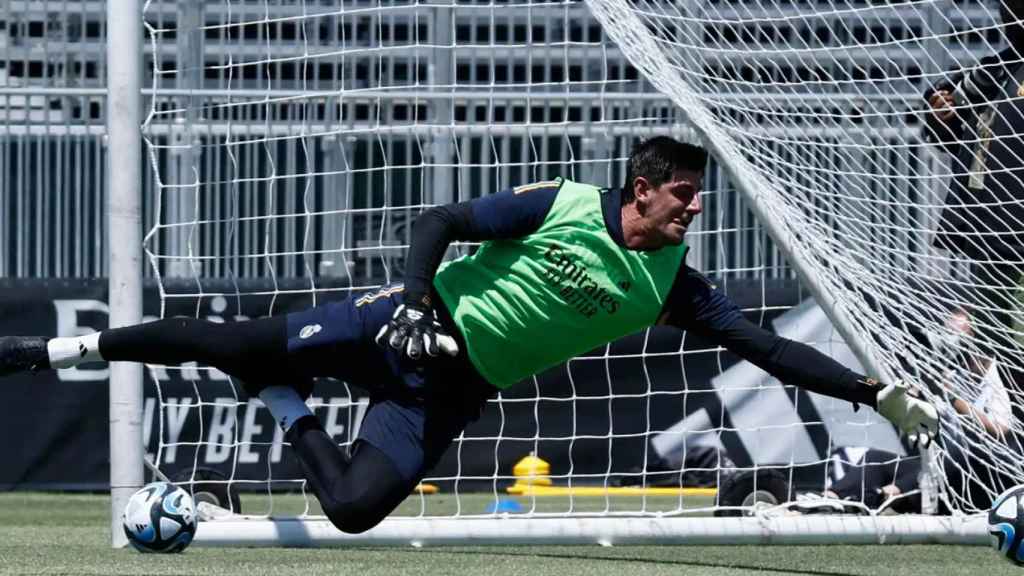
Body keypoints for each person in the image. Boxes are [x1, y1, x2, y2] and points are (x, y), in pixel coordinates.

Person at [0, 136, 938, 534]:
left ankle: (286, 407)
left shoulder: (673, 286)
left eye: (700, 198)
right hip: (403, 327)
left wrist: (872, 392)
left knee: (356, 511)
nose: (695, 209)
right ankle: (52, 352)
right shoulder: (566, 204)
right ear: (643, 188)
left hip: (454, 389)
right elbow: (440, 222)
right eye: (685, 195)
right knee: (231, 343)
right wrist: (410, 301)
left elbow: (769, 351)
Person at [796, 308, 1016, 514]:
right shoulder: (953, 375)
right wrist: (915, 395)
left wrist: (951, 398)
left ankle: (887, 496)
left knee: (953, 456)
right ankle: (827, 499)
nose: (956, 346)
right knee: (876, 459)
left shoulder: (1001, 378)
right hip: (939, 472)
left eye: (960, 337)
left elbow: (1000, 429)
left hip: (982, 479)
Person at [925, 0, 1024, 369]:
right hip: (995, 232)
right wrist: (944, 115)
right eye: (1008, 6)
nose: (1012, 14)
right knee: (994, 347)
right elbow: (955, 141)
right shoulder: (994, 70)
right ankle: (1007, 418)